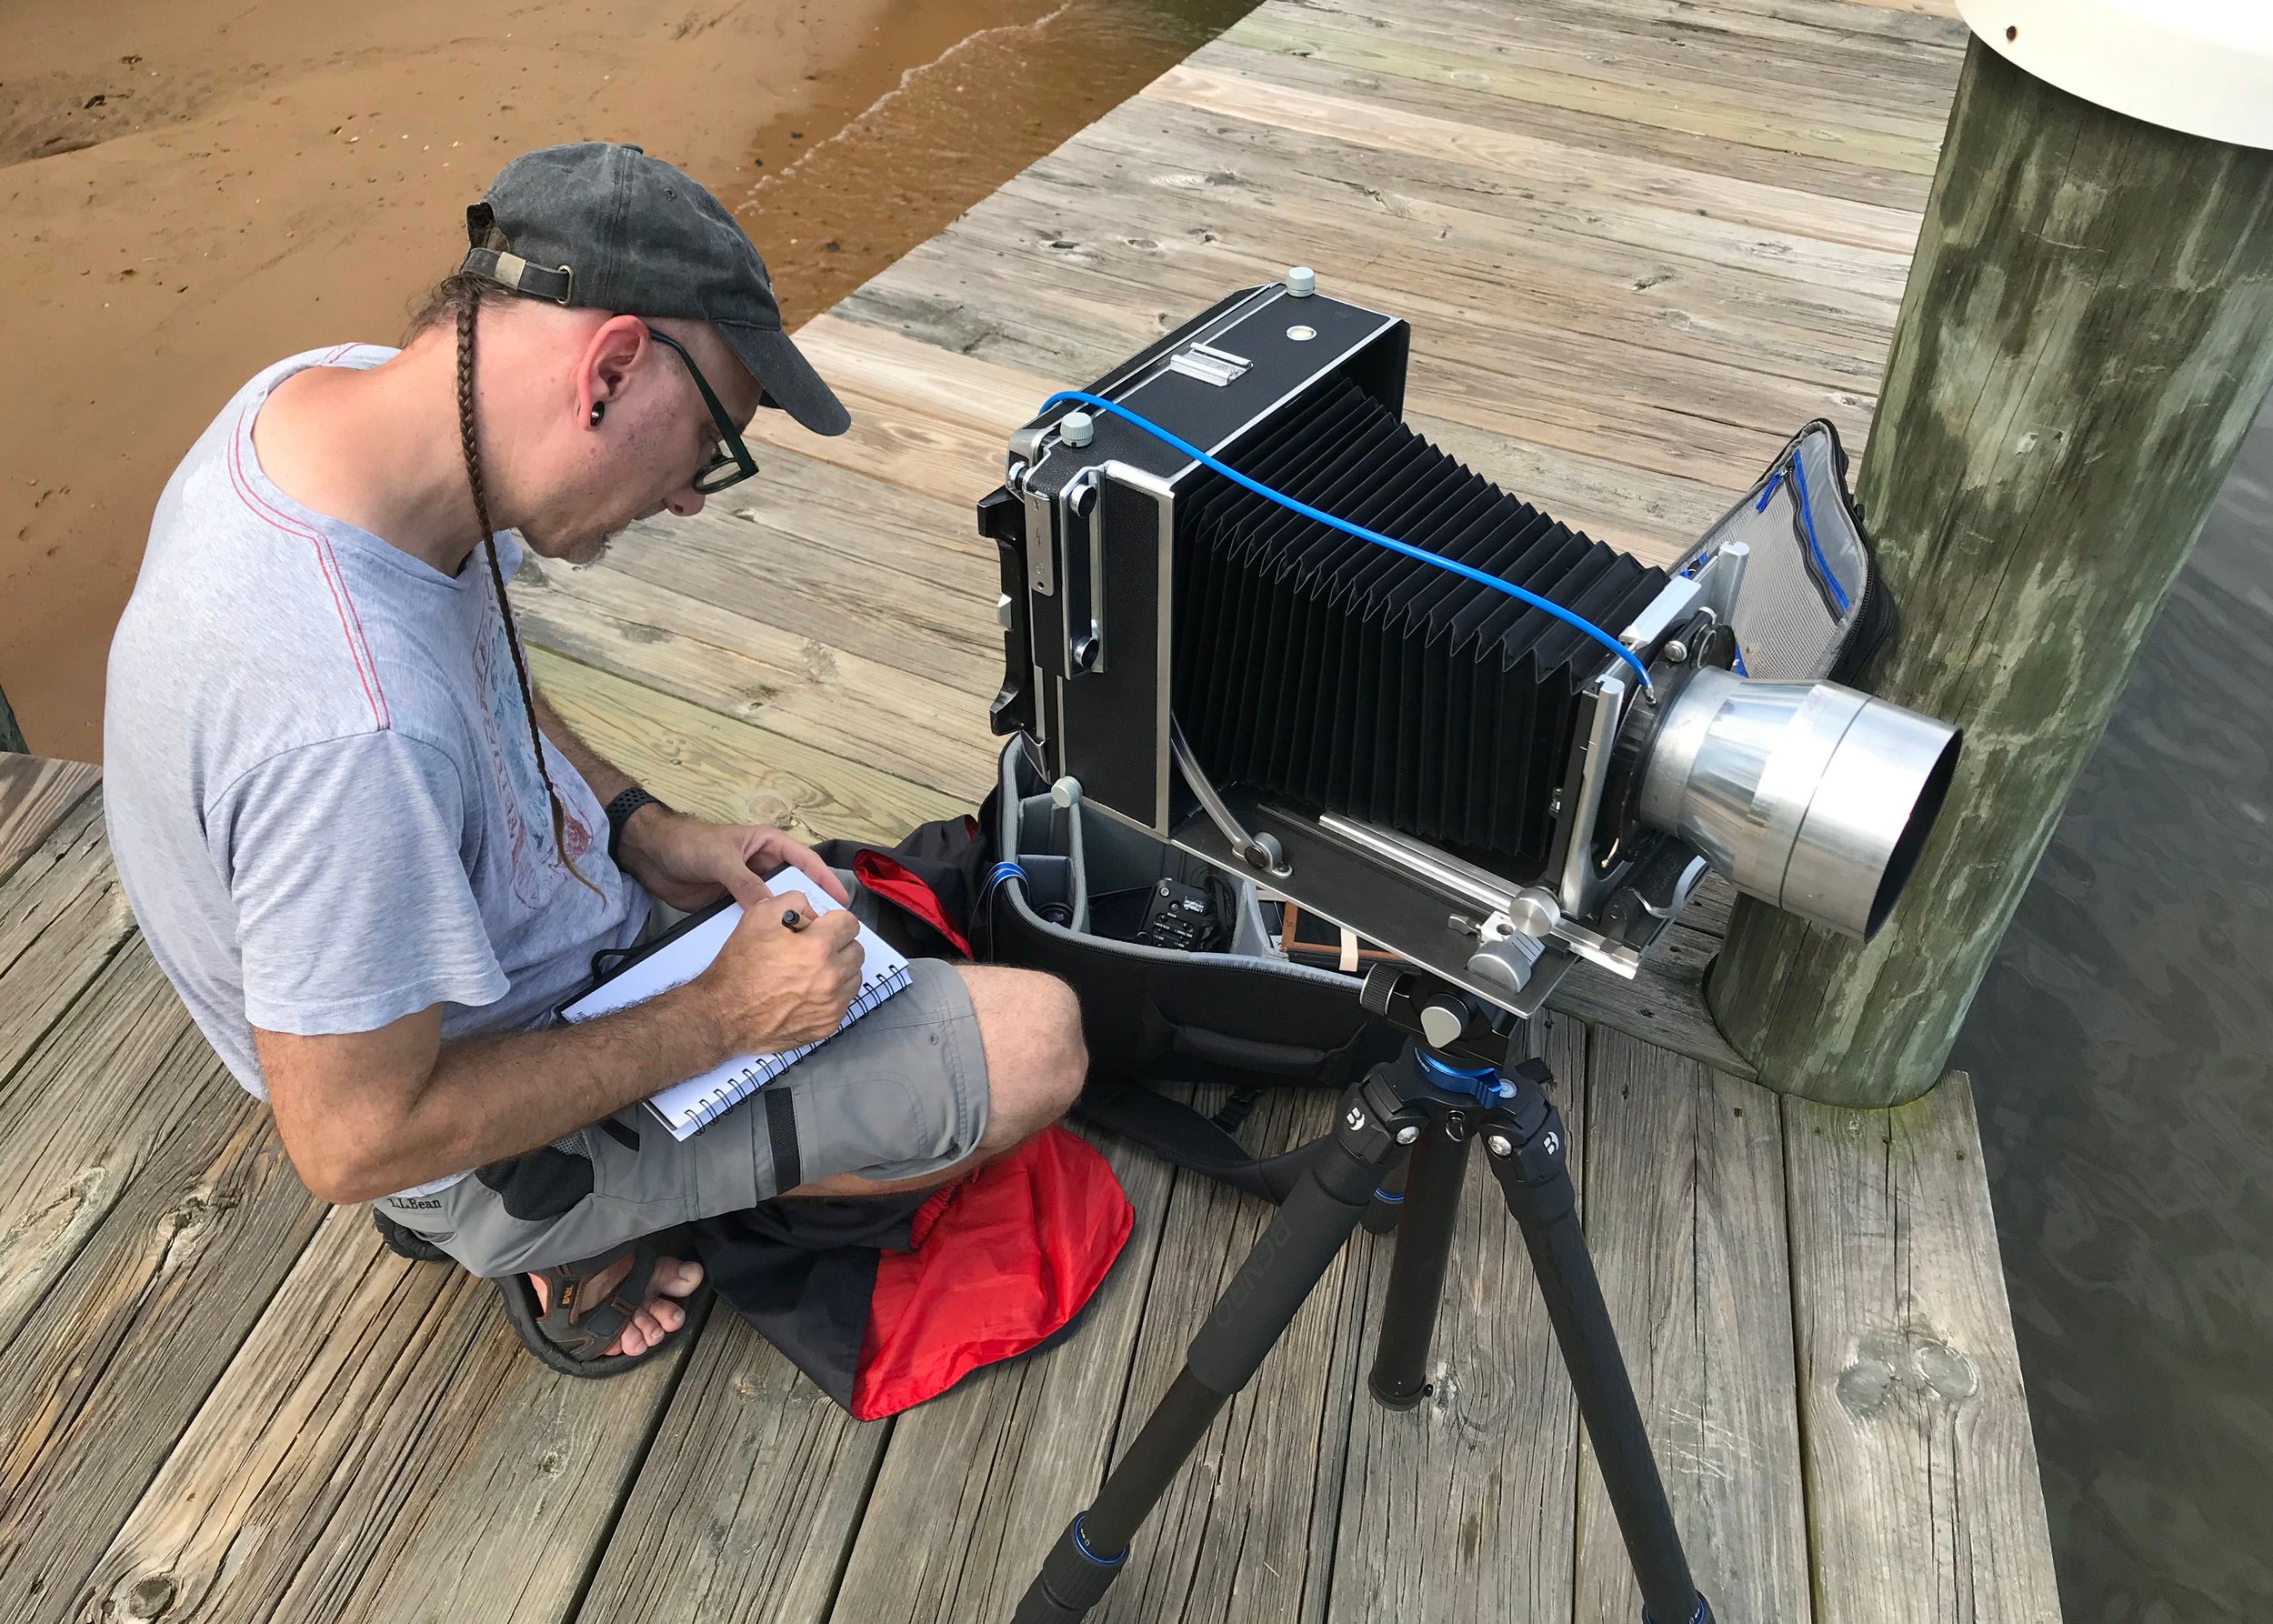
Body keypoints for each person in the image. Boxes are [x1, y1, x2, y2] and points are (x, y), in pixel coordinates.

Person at [101, 142, 1087, 1377]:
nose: (690, 498)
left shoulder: (336, 406)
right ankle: (554, 1229)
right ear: (611, 367)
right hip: (459, 1129)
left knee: (865, 936)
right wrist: (722, 1016)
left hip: (542, 948)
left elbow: (478, 656)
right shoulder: (347, 726)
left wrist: (637, 822)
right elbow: (350, 1139)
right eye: (712, 441)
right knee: (1038, 1040)